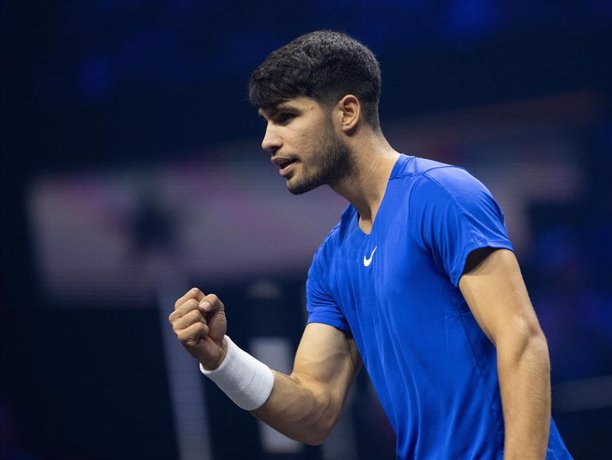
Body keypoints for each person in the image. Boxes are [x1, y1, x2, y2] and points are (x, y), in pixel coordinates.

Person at [169, 30, 572, 459]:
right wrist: (221, 359)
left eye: (286, 117)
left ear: (346, 112)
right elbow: (314, 411)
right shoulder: (331, 262)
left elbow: (521, 338)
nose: (268, 139)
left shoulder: (441, 194)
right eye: (266, 122)